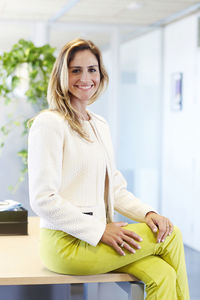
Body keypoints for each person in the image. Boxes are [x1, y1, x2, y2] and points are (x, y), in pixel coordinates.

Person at [28, 38, 190, 300]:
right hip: (66, 244)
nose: (85, 78)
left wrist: (148, 212)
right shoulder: (50, 123)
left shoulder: (99, 124)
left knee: (163, 274)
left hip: (99, 238)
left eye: (92, 69)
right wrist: (100, 230)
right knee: (172, 236)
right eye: (75, 70)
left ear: (101, 74)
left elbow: (114, 186)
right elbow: (43, 199)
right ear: (62, 74)